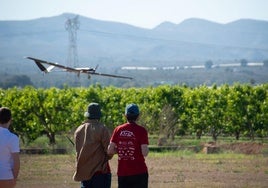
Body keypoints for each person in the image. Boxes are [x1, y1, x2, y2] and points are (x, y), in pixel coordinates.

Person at [108, 103, 149, 188]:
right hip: (139, 172)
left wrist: (121, 150)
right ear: (138, 116)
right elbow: (145, 152)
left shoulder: (118, 129)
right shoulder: (142, 130)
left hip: (123, 173)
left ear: (125, 115)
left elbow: (110, 150)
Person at [73, 103, 112, 188]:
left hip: (84, 172)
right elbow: (109, 152)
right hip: (100, 172)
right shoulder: (102, 128)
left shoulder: (79, 129)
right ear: (99, 115)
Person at [0, 107, 20, 188]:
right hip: (6, 176)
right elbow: (16, 162)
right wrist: (14, 178)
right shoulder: (12, 138)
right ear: (10, 119)